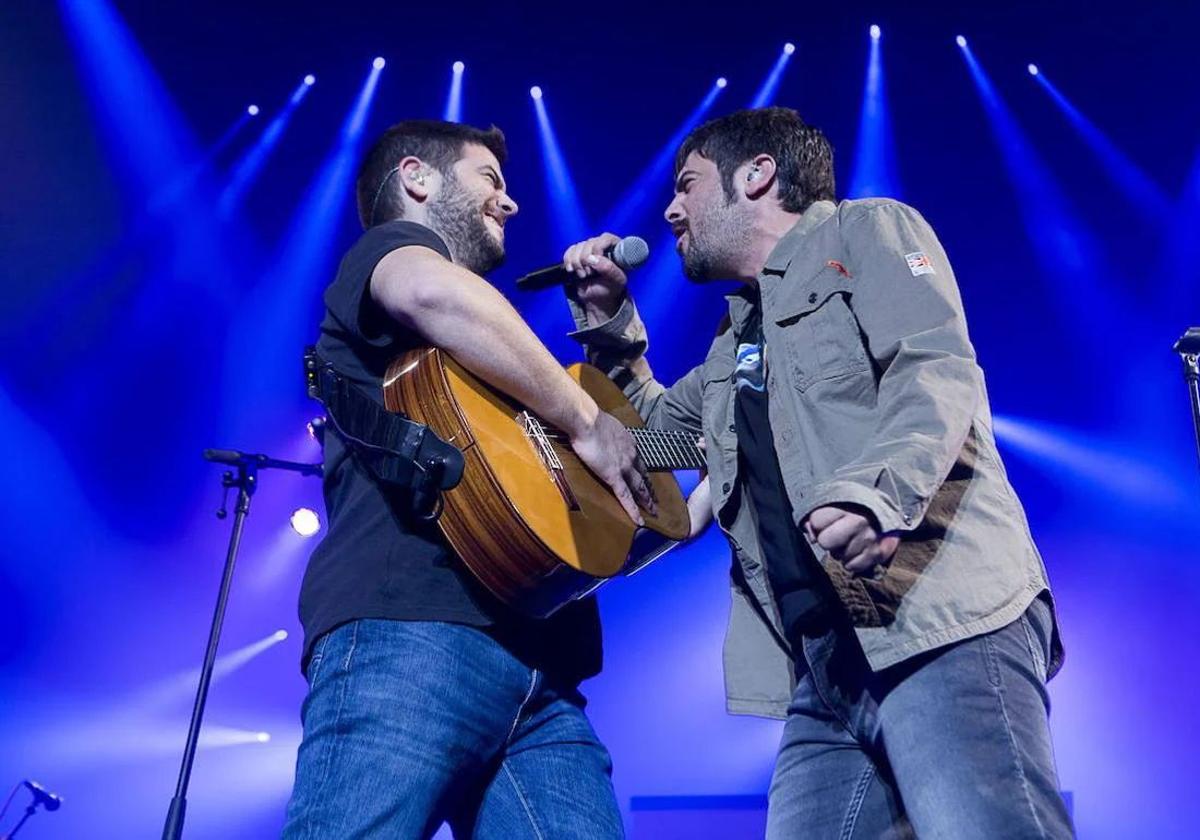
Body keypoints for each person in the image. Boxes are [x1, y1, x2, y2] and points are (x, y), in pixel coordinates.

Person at [561, 107, 1073, 838]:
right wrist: (611, 323)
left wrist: (878, 496)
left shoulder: (864, 231)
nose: (671, 209)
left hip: (934, 619)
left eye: (688, 186)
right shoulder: (734, 334)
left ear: (758, 173)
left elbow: (934, 367)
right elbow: (651, 437)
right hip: (822, 665)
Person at [283, 119, 655, 839]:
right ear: (417, 179)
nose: (510, 202)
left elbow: (618, 468)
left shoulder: (491, 368)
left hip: (543, 671)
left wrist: (607, 335)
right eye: (491, 179)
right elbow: (430, 292)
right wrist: (583, 419)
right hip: (410, 634)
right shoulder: (390, 253)